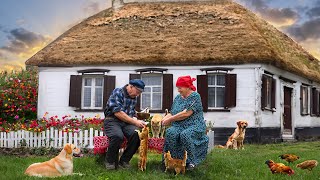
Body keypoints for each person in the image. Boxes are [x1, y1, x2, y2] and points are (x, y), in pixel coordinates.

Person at [162, 75, 209, 170]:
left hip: (194, 124)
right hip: (179, 125)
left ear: (187, 86)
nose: (178, 90)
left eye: (180, 88)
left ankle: (192, 161)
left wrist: (170, 120)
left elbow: (186, 113)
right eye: (178, 88)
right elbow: (172, 112)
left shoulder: (195, 96)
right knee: (171, 132)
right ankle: (175, 160)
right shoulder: (178, 98)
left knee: (185, 135)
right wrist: (164, 119)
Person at [103, 79, 146, 170]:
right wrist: (135, 122)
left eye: (139, 93)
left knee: (137, 135)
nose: (137, 95)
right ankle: (110, 162)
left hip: (125, 123)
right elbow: (117, 112)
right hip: (112, 120)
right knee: (118, 136)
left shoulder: (133, 97)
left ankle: (124, 161)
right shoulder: (118, 92)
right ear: (130, 87)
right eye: (137, 92)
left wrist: (138, 117)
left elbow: (130, 112)